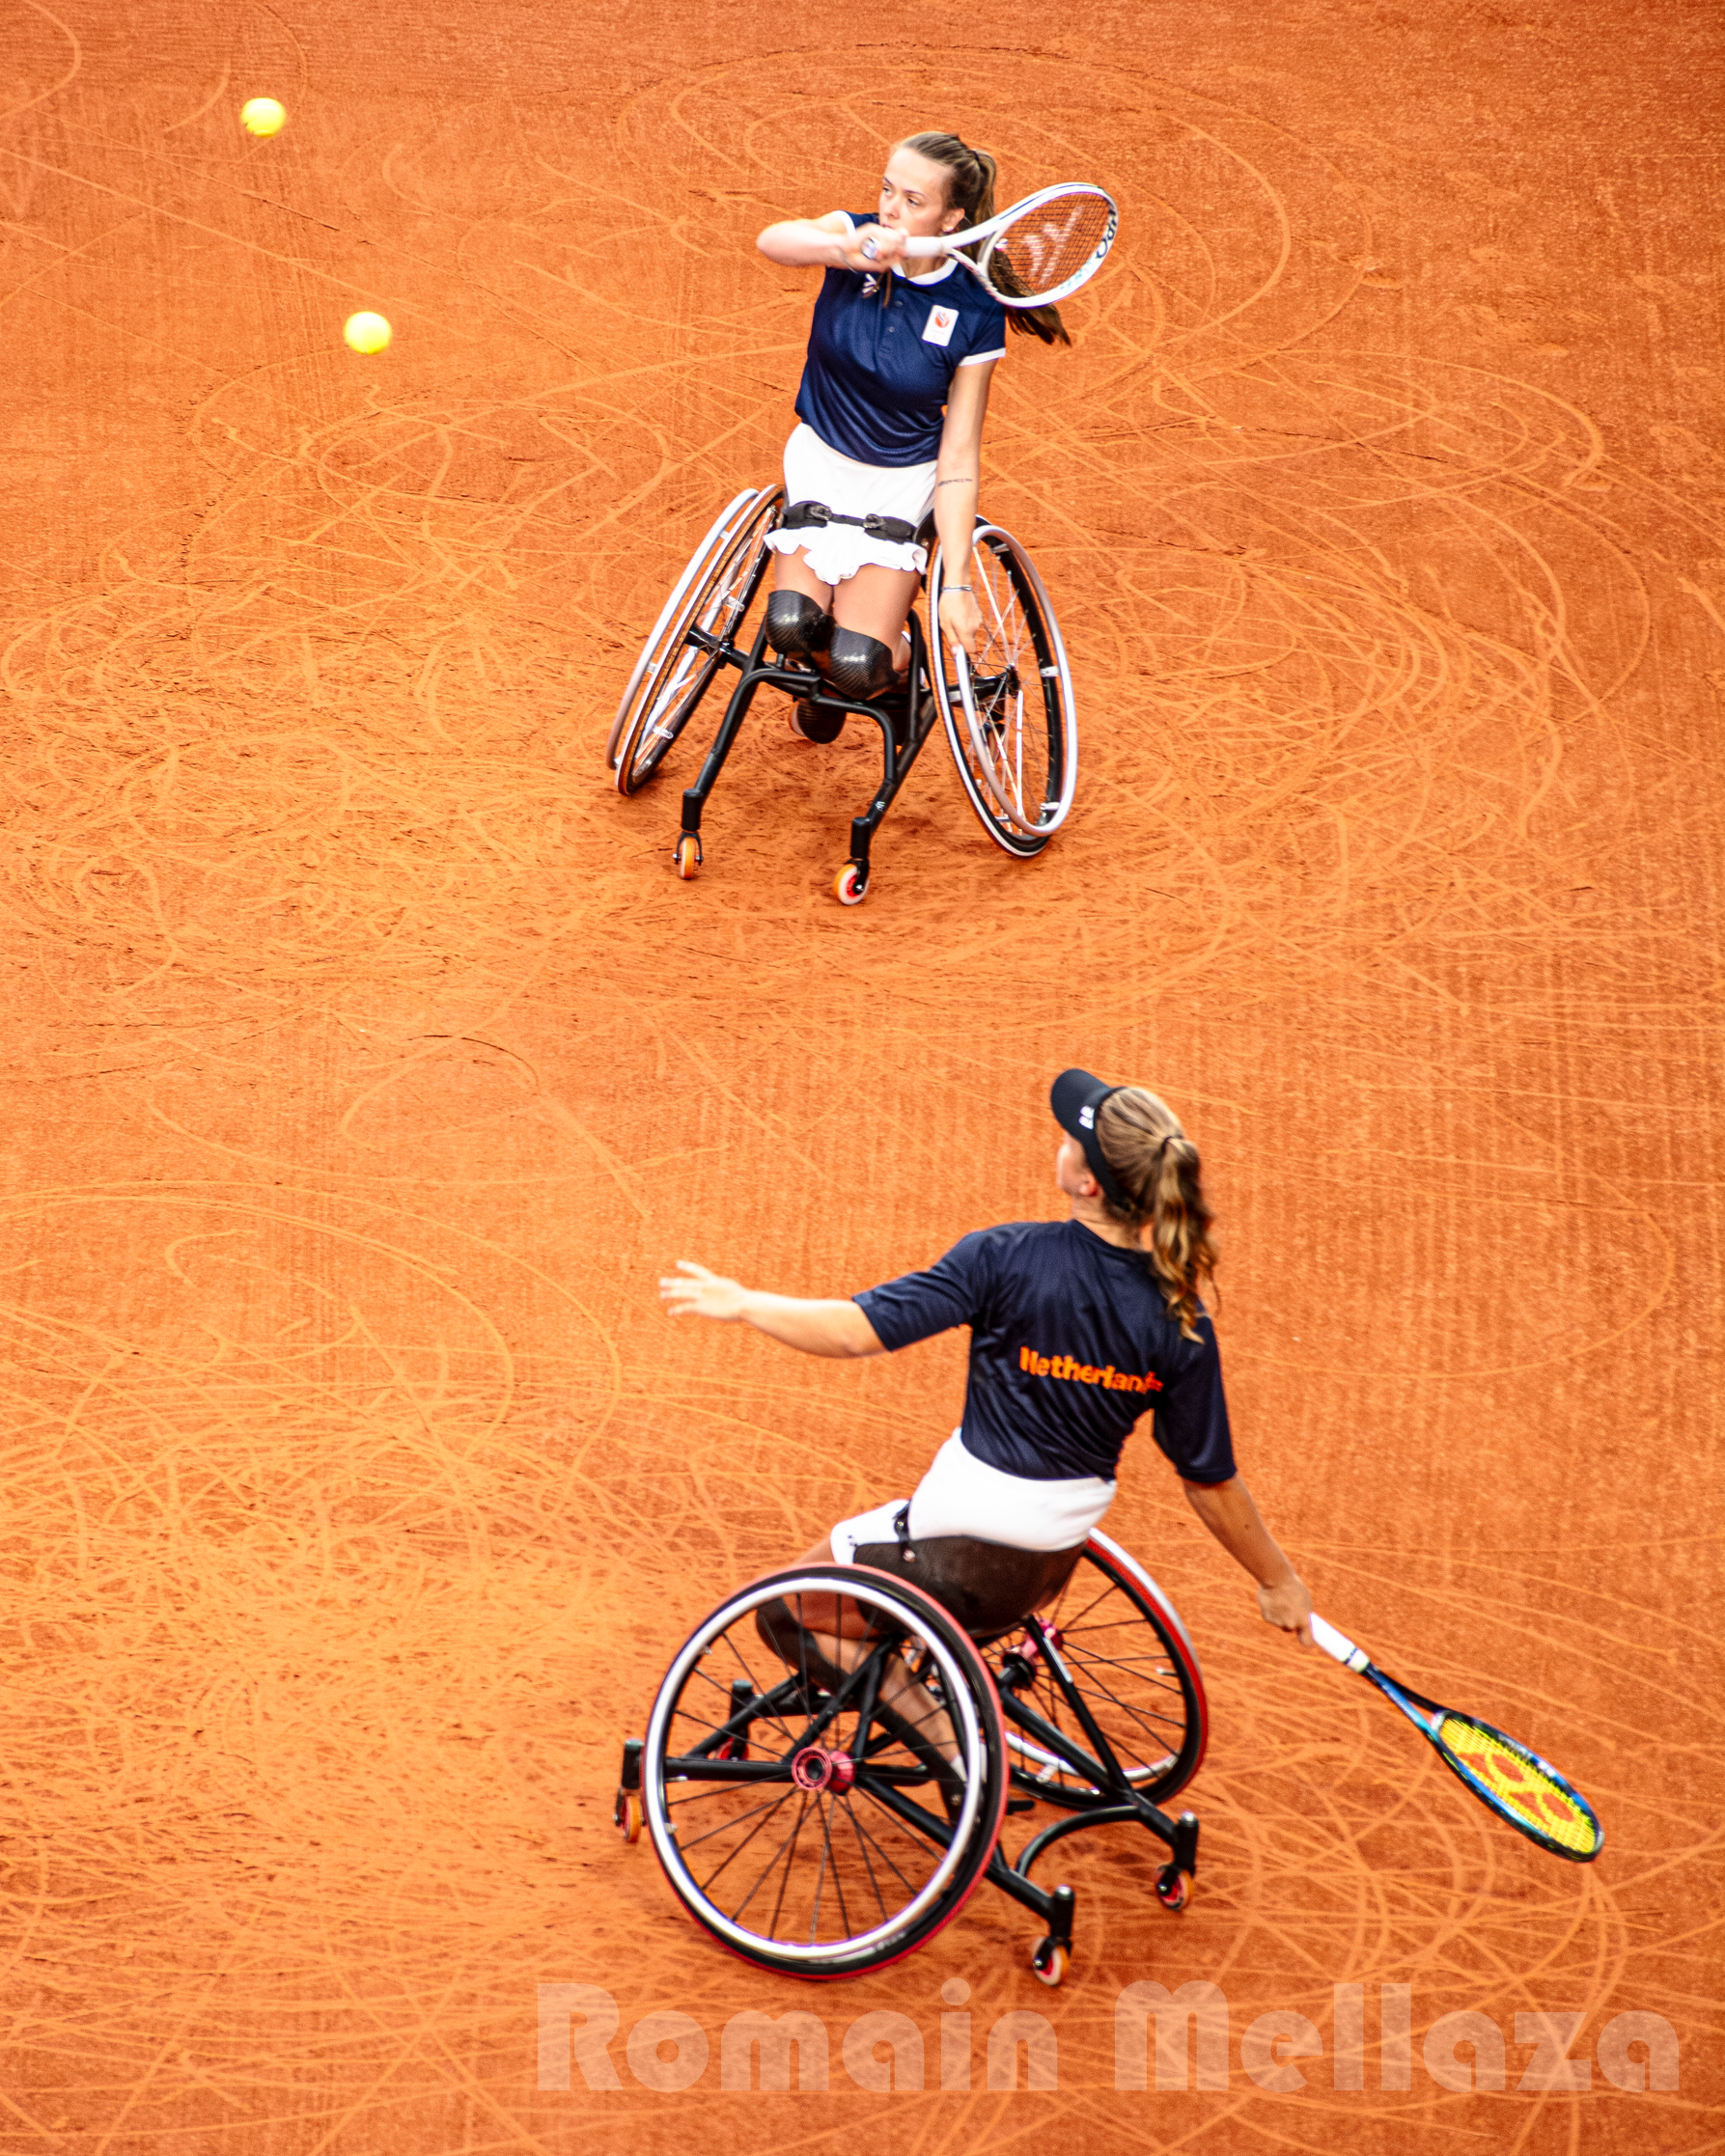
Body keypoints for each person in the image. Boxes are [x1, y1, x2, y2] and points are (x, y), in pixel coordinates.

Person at [660, 1069, 1314, 1763]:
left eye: (1070, 1138)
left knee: (787, 1610)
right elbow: (1210, 1483)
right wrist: (1277, 1582)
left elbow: (855, 1331)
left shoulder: (1003, 1258)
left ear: (1088, 1183)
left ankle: (950, 1747)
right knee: (899, 1583)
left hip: (953, 1551)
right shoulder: (1180, 1318)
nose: (1059, 1139)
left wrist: (743, 1303)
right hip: (1039, 1572)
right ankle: (932, 1696)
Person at [753, 131, 1069, 740]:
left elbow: (958, 456)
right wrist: (845, 250)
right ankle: (834, 681)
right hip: (822, 460)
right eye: (887, 190)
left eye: (913, 200)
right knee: (791, 628)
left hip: (902, 484)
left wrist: (956, 583)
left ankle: (889, 677)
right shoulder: (854, 236)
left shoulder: (974, 312)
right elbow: (775, 240)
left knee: (857, 662)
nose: (892, 209)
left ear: (953, 218)